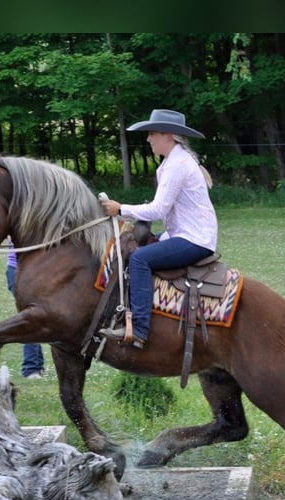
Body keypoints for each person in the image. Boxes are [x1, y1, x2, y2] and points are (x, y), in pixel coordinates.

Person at [99, 109, 218, 349]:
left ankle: (140, 329)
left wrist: (120, 209)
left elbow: (159, 210)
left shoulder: (177, 165)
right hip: (185, 234)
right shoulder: (174, 162)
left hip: (193, 239)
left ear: (168, 136)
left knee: (140, 259)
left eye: (152, 133)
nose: (148, 139)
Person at [6, 237, 46, 379]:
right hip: (18, 270)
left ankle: (36, 365)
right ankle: (32, 367)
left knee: (35, 317)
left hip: (42, 269)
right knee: (30, 317)